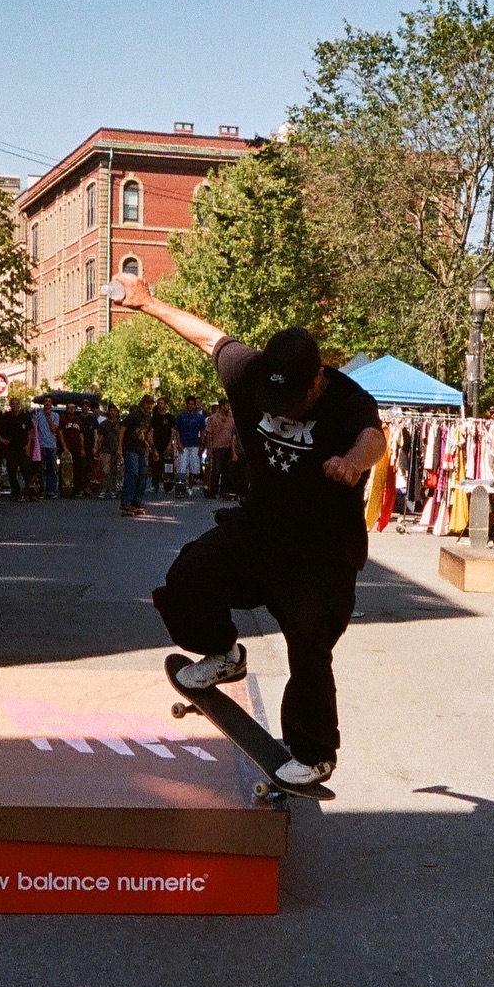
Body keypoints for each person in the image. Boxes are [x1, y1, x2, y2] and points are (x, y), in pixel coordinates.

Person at [110, 276, 385, 790]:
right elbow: (206, 337)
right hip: (260, 529)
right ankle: (224, 655)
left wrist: (351, 462)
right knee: (185, 582)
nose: (277, 412)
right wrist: (146, 303)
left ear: (316, 382)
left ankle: (315, 752)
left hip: (321, 551)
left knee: (307, 641)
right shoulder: (250, 373)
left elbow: (375, 438)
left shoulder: (347, 399)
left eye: (292, 405)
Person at [120, 395, 153, 516]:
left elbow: (147, 435)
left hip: (141, 449)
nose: (149, 406)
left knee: (143, 474)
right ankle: (126, 501)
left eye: (151, 403)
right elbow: (123, 429)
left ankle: (137, 500)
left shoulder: (148, 417)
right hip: (130, 448)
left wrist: (153, 450)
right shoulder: (134, 414)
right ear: (142, 403)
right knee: (132, 473)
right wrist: (119, 447)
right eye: (147, 403)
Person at [174, 393, 206, 496]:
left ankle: (190, 487)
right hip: (183, 444)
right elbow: (177, 430)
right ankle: (181, 487)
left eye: (193, 404)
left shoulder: (199, 417)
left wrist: (202, 445)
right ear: (186, 404)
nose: (191, 406)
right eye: (189, 404)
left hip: (195, 445)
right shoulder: (181, 416)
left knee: (194, 467)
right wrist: (178, 443)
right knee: (182, 467)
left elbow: (202, 431)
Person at [206, 398, 235, 497]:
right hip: (218, 447)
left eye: (229, 405)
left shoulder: (231, 418)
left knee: (227, 470)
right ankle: (213, 491)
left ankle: (224, 491)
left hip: (229, 446)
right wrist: (209, 449)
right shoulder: (213, 418)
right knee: (216, 469)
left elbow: (233, 434)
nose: (228, 407)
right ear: (221, 406)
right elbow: (209, 434)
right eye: (226, 405)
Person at [34, 395, 58, 499]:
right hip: (41, 445)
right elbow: (34, 430)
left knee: (51, 469)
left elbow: (54, 429)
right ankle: (41, 490)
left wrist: (48, 417)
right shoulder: (38, 415)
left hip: (51, 445)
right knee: (41, 469)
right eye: (46, 401)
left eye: (49, 401)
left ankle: (51, 490)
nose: (47, 403)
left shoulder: (55, 415)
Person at [97, 402, 122, 498]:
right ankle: (103, 489)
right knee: (105, 470)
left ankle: (112, 490)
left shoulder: (120, 424)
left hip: (116, 449)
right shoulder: (104, 424)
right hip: (105, 449)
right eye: (110, 411)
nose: (112, 412)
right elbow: (100, 437)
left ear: (116, 412)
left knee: (114, 470)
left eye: (114, 411)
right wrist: (99, 448)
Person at [150, 397, 174, 493]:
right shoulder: (154, 418)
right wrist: (152, 446)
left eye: (162, 403)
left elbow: (173, 432)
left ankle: (168, 486)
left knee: (168, 466)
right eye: (159, 403)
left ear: (166, 405)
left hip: (166, 444)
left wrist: (170, 444)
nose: (160, 405)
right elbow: (151, 431)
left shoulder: (170, 417)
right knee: (156, 464)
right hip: (156, 444)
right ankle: (155, 484)